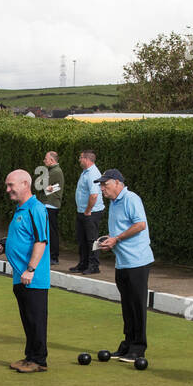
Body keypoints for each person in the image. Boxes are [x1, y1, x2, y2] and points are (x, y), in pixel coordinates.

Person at [0, 169, 51, 373]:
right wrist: (4, 245)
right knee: (28, 320)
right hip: (20, 277)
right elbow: (22, 237)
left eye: (11, 185)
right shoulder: (20, 209)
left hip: (33, 277)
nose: (7, 190)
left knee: (36, 319)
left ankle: (39, 360)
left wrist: (31, 269)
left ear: (25, 184)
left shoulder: (36, 208)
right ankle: (30, 357)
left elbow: (41, 241)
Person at [93, 170, 153, 361]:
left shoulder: (131, 198)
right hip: (122, 262)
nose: (102, 188)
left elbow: (140, 225)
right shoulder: (113, 203)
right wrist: (109, 243)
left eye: (105, 184)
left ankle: (138, 347)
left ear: (118, 183)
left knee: (137, 306)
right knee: (127, 307)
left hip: (137, 261)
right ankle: (127, 344)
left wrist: (116, 238)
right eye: (101, 185)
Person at [70, 150, 103, 273]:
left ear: (87, 159)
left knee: (91, 240)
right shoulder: (85, 172)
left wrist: (88, 210)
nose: (79, 160)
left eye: (80, 157)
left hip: (91, 212)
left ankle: (94, 266)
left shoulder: (92, 173)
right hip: (83, 211)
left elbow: (94, 195)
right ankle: (83, 264)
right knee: (82, 239)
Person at [40, 151, 64, 263]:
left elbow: (40, 185)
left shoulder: (55, 171)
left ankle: (54, 257)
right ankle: (51, 256)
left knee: (51, 231)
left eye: (46, 159)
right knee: (48, 231)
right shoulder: (52, 171)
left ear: (52, 160)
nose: (44, 161)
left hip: (51, 204)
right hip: (49, 203)